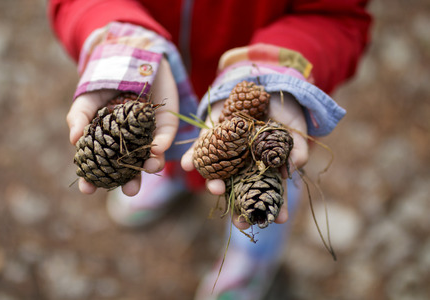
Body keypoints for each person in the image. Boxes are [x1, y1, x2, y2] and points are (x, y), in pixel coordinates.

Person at [48, 1, 371, 299]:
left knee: (265, 195)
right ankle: (170, 176)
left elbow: (336, 15)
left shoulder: (267, 133)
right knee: (166, 144)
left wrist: (277, 73)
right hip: (158, 78)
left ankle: (251, 259)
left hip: (270, 94)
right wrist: (124, 46)